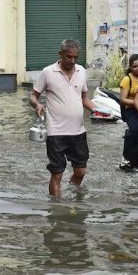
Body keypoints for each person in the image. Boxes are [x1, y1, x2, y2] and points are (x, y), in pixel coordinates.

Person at [29, 40, 96, 197]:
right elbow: (33, 95)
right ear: (60, 54)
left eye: (75, 57)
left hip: (78, 131)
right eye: (69, 57)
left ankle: (72, 193)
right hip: (56, 132)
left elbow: (84, 98)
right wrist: (37, 105)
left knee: (81, 171)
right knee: (57, 173)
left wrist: (100, 110)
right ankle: (57, 209)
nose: (72, 61)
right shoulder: (48, 72)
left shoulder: (81, 71)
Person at [118, 54, 138, 171]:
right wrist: (137, 102)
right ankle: (126, 158)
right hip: (130, 109)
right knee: (135, 130)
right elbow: (123, 99)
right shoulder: (127, 79)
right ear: (130, 67)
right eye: (135, 66)